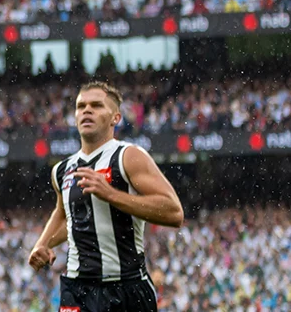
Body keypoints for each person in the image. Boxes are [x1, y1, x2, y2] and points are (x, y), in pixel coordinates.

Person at [27, 81, 184, 312]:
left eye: (97, 105)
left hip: (125, 288)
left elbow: (173, 212)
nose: (87, 110)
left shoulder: (128, 156)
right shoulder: (61, 170)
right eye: (81, 106)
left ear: (115, 118)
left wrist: (110, 194)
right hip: (77, 289)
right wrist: (42, 244)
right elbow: (64, 215)